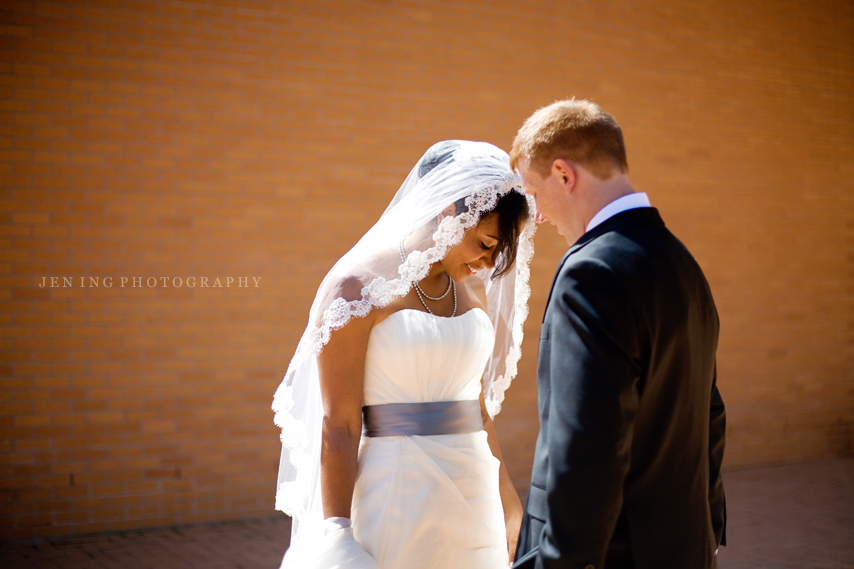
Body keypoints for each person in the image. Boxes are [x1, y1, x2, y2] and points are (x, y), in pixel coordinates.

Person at [272, 141, 537, 569]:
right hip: (393, 493)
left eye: (499, 252)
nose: (488, 263)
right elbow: (337, 421)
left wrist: (510, 509)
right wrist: (336, 532)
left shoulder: (469, 289)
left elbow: (477, 411)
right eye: (484, 243)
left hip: (473, 492)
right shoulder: (356, 287)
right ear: (451, 213)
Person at [510, 99, 727, 569]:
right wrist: (709, 528)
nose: (538, 216)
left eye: (532, 191)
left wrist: (558, 562)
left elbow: (588, 446)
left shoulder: (590, 274)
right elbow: (709, 413)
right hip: (686, 549)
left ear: (564, 175)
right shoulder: (683, 264)